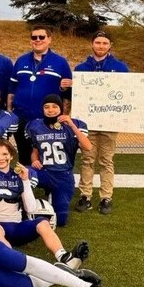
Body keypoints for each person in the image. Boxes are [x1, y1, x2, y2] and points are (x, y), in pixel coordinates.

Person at [73, 30, 144, 215]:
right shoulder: (81, 68)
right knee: (87, 159)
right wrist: (66, 87)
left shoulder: (120, 67)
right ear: (92, 44)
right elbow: (75, 96)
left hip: (110, 122)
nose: (101, 46)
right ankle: (85, 195)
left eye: (104, 43)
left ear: (110, 46)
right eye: (98, 42)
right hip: (87, 123)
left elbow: (130, 92)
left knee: (106, 160)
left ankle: (106, 197)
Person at [0, 139, 88, 267]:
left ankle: (64, 257)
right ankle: (12, 260)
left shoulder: (19, 174)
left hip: (18, 226)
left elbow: (30, 208)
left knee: (42, 222)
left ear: (11, 156)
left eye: (5, 154)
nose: (1, 158)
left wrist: (25, 181)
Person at [8, 25, 72, 163]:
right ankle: (26, 183)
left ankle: (47, 182)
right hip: (22, 117)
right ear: (31, 40)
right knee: (24, 154)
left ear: (49, 39)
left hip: (47, 118)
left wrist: (63, 115)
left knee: (46, 156)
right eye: (34, 37)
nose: (37, 40)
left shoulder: (60, 62)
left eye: (41, 37)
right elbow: (12, 89)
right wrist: (9, 112)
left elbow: (67, 94)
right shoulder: (21, 60)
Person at [27, 94, 91, 227]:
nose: (50, 110)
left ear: (61, 108)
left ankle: (52, 196)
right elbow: (35, 151)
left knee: (60, 220)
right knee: (23, 172)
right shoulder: (34, 126)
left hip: (63, 175)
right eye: (47, 107)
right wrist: (34, 161)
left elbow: (88, 147)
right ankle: (22, 206)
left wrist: (72, 126)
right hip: (43, 172)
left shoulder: (73, 124)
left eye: (54, 107)